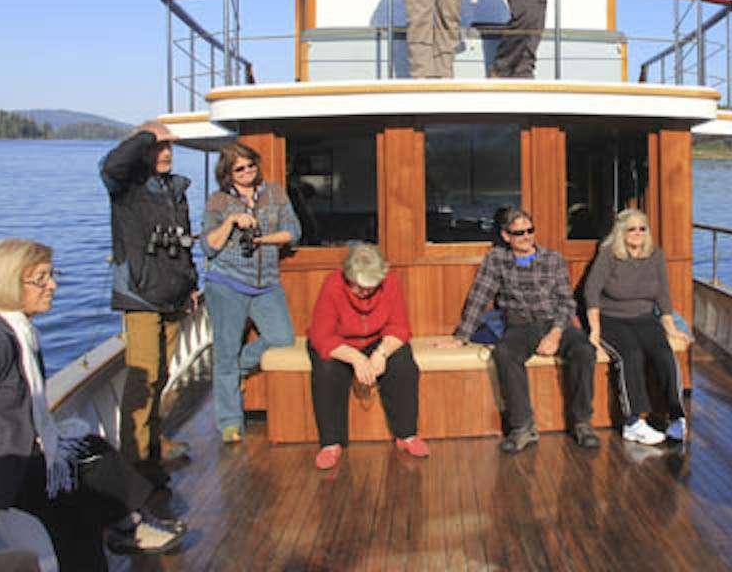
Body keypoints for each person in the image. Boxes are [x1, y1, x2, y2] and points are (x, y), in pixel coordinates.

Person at [0, 239, 187, 570]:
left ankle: (127, 525)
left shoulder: (16, 332)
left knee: (92, 453)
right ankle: (126, 528)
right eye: (40, 278)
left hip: (20, 456)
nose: (52, 285)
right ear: (9, 282)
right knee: (78, 506)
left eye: (51, 275)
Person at [439, 208, 599, 453]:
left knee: (584, 350)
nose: (527, 237)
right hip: (520, 324)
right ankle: (522, 426)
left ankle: (582, 422)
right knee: (504, 353)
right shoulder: (496, 259)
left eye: (530, 231)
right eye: (519, 233)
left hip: (555, 322)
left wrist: (555, 334)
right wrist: (461, 336)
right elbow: (479, 296)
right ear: (506, 235)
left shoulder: (552, 259)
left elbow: (567, 303)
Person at [99, 120, 198, 475]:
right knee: (144, 376)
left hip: (174, 294)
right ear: (142, 150)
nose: (167, 152)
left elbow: (182, 243)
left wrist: (191, 285)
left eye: (169, 146)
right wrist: (148, 133)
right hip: (139, 297)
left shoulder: (174, 190)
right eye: (159, 146)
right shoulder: (125, 187)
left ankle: (154, 441)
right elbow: (110, 165)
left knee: (163, 373)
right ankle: (136, 458)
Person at [202, 142, 300, 444]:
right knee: (225, 350)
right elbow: (209, 245)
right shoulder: (218, 201)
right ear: (228, 173)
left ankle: (236, 370)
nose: (247, 172)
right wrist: (232, 221)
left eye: (251, 166)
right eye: (239, 168)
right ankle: (230, 423)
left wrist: (262, 240)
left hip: (266, 283)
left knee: (282, 337)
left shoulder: (274, 193)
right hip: (226, 283)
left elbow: (293, 232)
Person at [306, 244, 427, 469]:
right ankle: (331, 442)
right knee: (326, 369)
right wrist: (356, 357)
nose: (365, 293)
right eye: (359, 287)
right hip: (340, 343)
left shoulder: (390, 282)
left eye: (371, 287)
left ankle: (406, 434)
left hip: (377, 339)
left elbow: (400, 327)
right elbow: (321, 335)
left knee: (404, 364)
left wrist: (381, 353)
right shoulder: (333, 285)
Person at [584, 208, 690, 445]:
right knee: (630, 355)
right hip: (612, 318)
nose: (638, 233)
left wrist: (671, 327)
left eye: (642, 228)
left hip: (644, 317)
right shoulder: (609, 255)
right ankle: (632, 422)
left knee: (664, 353)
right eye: (631, 229)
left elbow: (663, 294)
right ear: (621, 232)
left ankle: (676, 416)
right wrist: (595, 332)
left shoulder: (656, 255)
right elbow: (591, 292)